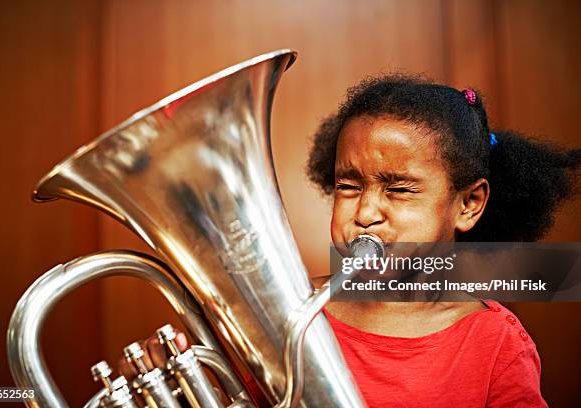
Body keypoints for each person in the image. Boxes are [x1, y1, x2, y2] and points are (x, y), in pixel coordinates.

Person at [119, 75, 579, 407]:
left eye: (398, 188)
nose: (364, 213)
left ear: (469, 204)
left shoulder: (495, 342)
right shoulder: (279, 318)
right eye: (349, 185)